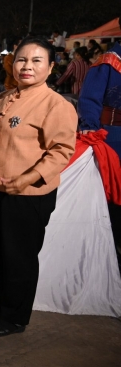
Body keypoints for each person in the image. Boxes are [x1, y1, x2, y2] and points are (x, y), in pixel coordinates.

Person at [0, 36, 77, 337]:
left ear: (50, 67)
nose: (27, 66)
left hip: (27, 194)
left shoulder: (55, 105)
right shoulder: (3, 98)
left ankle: (14, 317)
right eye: (22, 59)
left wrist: (28, 177)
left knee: (18, 257)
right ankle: (3, 305)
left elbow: (61, 151)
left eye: (36, 61)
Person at [78, 42, 121, 270]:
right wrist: (90, 128)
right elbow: (89, 100)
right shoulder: (109, 62)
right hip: (114, 138)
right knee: (113, 197)